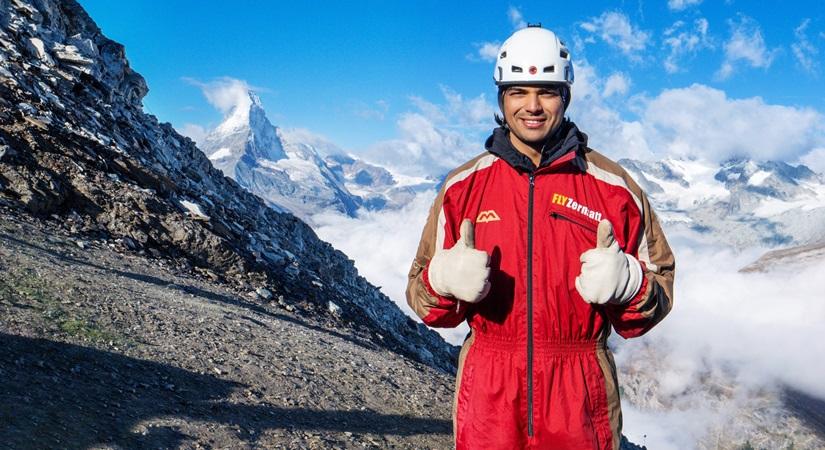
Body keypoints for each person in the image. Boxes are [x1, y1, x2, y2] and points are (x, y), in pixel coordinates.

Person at [406, 24, 675, 450]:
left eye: (546, 91)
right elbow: (423, 298)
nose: (532, 106)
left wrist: (631, 285)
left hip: (580, 395)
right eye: (518, 91)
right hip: (489, 394)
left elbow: (658, 292)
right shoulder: (463, 187)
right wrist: (441, 282)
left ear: (565, 96)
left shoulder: (614, 188)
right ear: (501, 97)